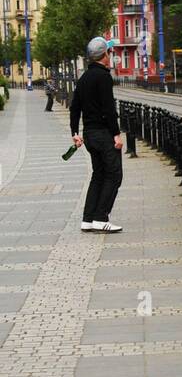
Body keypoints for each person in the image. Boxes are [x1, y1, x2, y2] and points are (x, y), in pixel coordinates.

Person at [69, 37, 124, 233]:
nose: (110, 55)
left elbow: (74, 107)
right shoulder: (103, 77)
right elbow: (109, 109)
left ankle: (88, 219)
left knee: (98, 175)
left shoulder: (83, 78)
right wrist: (116, 134)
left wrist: (75, 133)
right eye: (108, 52)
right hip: (103, 135)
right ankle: (101, 218)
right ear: (103, 55)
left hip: (89, 135)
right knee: (114, 175)